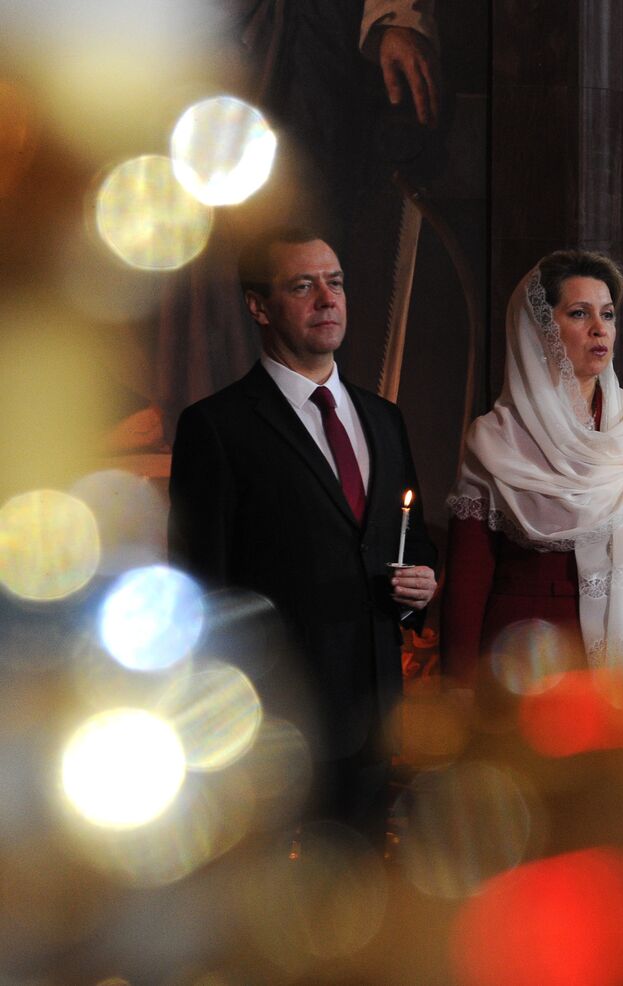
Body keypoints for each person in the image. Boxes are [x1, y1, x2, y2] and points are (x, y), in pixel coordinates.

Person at [168, 225, 438, 841]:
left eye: (336, 282)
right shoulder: (216, 427)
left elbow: (409, 539)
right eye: (303, 285)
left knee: (366, 908)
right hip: (274, 726)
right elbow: (201, 587)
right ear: (258, 305)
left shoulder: (382, 417)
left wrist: (422, 581)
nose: (327, 298)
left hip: (375, 719)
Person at [441, 251, 623, 681]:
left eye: (607, 315)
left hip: (619, 658)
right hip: (523, 656)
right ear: (542, 329)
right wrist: (458, 692)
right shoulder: (497, 438)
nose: (599, 329)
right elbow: (468, 580)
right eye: (579, 313)